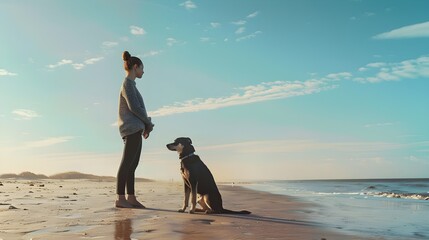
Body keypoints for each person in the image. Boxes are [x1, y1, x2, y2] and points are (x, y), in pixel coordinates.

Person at [116, 50, 154, 208]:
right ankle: (120, 198)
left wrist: (145, 126)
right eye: (142, 68)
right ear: (135, 67)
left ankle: (131, 198)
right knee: (126, 164)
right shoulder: (127, 84)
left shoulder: (132, 85)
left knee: (133, 165)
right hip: (131, 129)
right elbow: (135, 108)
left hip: (136, 129)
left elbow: (138, 109)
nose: (143, 71)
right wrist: (148, 123)